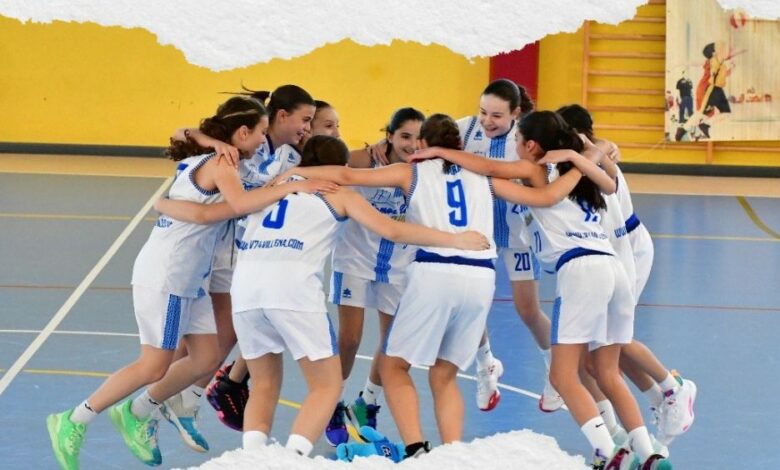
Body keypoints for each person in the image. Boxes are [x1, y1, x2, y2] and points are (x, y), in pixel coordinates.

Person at [276, 114, 609, 459]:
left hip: (435, 271)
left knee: (393, 366)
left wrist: (295, 173)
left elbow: (347, 175)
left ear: (422, 145)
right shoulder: (484, 176)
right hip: (481, 277)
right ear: (460, 145)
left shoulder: (411, 171)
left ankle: (417, 450)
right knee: (444, 373)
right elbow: (546, 198)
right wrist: (579, 165)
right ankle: (451, 454)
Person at [45, 96, 338, 470]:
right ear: (243, 132)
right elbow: (237, 205)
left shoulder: (216, 157)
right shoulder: (223, 162)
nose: (263, 139)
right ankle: (75, 419)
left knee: (206, 357)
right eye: (260, 131)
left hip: (194, 274)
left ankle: (140, 411)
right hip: (170, 272)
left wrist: (173, 201)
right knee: (153, 366)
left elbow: (211, 203)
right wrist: (288, 187)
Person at [154, 134, 490, 457]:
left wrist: (162, 202)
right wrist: (455, 239)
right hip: (292, 288)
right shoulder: (336, 193)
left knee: (264, 383)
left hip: (245, 289)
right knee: (327, 385)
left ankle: (253, 458)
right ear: (336, 167)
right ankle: (294, 457)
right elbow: (392, 229)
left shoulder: (270, 188)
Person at [413, 111, 672, 470]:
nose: (515, 147)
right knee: (607, 372)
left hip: (581, 269)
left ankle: (609, 451)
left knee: (563, 376)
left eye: (518, 140)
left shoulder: (538, 169)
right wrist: (581, 156)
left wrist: (440, 152)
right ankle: (649, 453)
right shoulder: (576, 172)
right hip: (614, 270)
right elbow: (610, 181)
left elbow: (487, 167)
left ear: (531, 145)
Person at [162, 85, 318, 438]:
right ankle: (160, 399)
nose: (307, 128)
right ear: (281, 116)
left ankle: (180, 399)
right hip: (203, 245)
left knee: (219, 334)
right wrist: (210, 141)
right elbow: (182, 133)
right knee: (196, 337)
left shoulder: (290, 157)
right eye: (305, 120)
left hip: (239, 252)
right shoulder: (247, 140)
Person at [558, 104, 696, 449]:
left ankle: (673, 388)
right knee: (603, 352)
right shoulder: (588, 157)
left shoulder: (593, 163)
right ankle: (657, 399)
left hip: (625, 250)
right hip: (611, 253)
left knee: (611, 341)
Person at [457, 79, 563, 412]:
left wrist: (607, 147)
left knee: (528, 310)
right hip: (478, 235)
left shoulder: (527, 139)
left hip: (518, 235)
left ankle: (556, 370)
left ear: (516, 113)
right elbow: (424, 137)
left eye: (497, 115)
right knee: (470, 305)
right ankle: (485, 364)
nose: (487, 121)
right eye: (483, 112)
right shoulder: (465, 129)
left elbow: (574, 142)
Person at [324, 107, 425, 446]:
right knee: (350, 339)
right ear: (390, 136)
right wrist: (368, 152)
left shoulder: (425, 170)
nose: (411, 144)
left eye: (418, 138)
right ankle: (332, 403)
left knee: (393, 342)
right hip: (354, 259)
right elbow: (335, 163)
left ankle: (367, 401)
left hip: (398, 265)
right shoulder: (367, 162)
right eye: (404, 136)